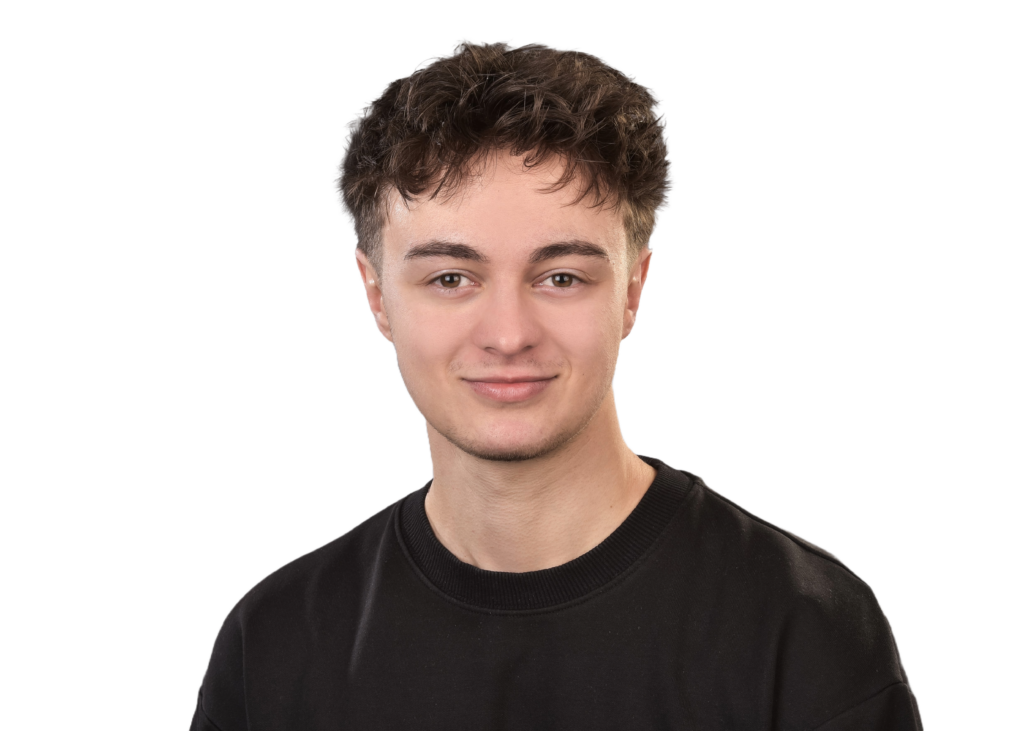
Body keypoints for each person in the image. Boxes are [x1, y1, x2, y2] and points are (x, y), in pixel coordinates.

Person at [189, 38, 924, 730]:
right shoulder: (272, 643)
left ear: (633, 289)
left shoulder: (803, 628)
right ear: (376, 294)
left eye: (561, 277)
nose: (509, 335)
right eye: (451, 278)